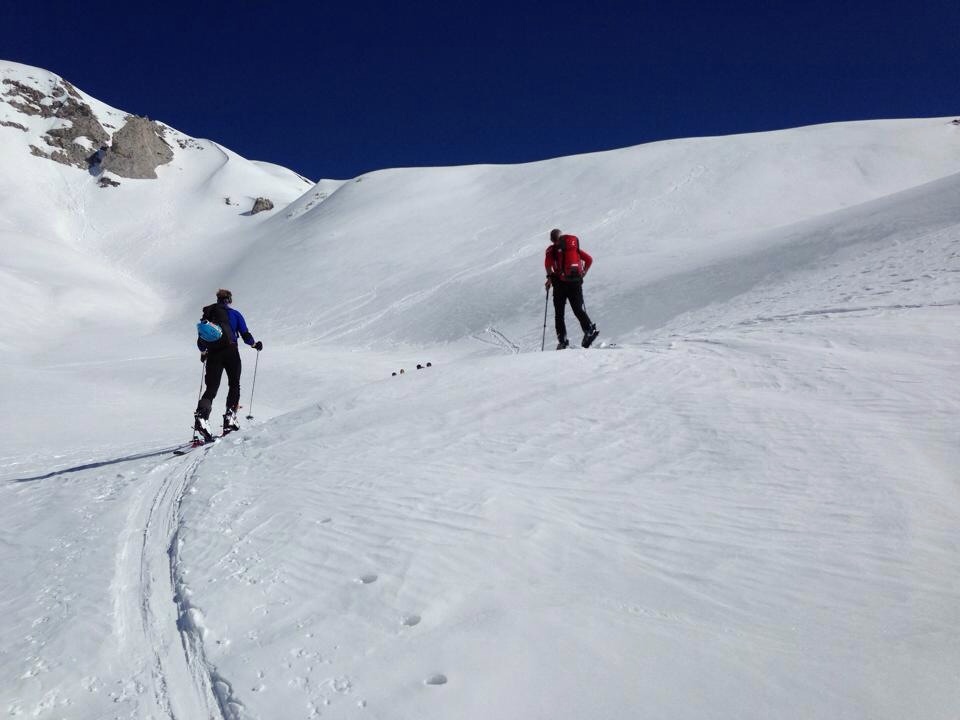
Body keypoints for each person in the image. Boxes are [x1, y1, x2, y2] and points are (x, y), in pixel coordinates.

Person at [193, 288, 262, 441]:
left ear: (217, 299)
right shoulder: (235, 314)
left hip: (212, 354)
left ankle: (202, 417)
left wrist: (203, 352)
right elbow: (245, 334)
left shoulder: (209, 314)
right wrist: (254, 344)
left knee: (211, 388)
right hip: (231, 351)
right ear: (229, 300)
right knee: (234, 384)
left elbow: (202, 338)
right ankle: (230, 418)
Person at [544, 228, 598, 349]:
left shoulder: (552, 250)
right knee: (578, 309)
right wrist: (583, 273)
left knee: (559, 314)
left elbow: (547, 264)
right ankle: (589, 330)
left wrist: (549, 278)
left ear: (552, 239)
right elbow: (589, 259)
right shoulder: (573, 248)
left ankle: (562, 341)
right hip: (575, 282)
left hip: (559, 284)